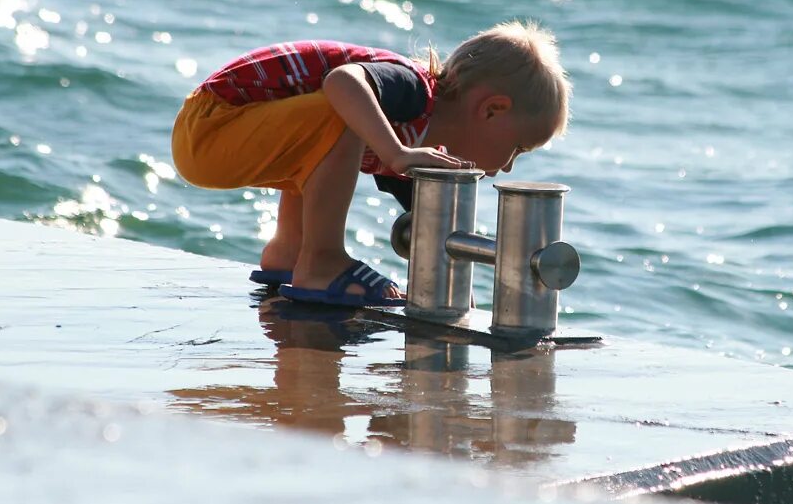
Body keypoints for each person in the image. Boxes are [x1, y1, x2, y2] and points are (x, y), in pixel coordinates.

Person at [170, 20, 572, 307]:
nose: (507, 168)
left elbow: (431, 227)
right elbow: (342, 82)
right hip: (211, 126)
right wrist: (397, 153)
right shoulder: (413, 91)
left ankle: (289, 254)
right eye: (517, 148)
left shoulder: (418, 141)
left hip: (220, 138)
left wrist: (451, 297)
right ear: (491, 110)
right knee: (340, 113)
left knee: (321, 144)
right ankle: (321, 261)